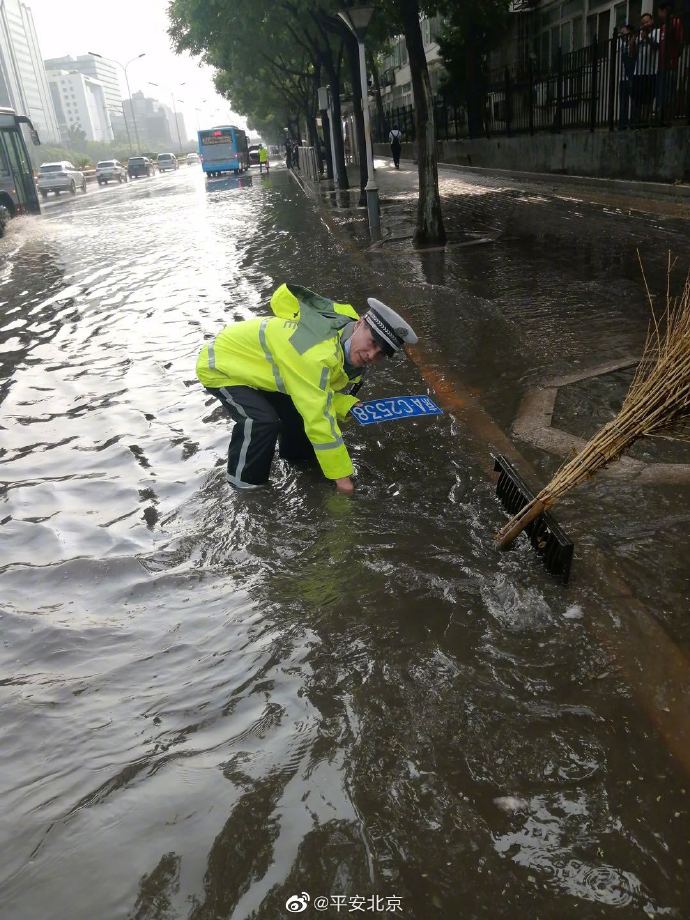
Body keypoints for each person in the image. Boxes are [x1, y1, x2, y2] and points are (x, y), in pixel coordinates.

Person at [196, 283, 418, 494]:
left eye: (381, 354)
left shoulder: (345, 336)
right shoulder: (317, 352)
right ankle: (243, 487)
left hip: (261, 370)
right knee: (262, 421)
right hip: (222, 366)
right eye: (372, 343)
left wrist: (345, 403)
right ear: (359, 323)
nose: (371, 355)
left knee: (296, 412)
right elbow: (318, 418)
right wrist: (342, 479)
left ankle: (297, 462)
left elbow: (315, 391)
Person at [655, 1, 684, 123]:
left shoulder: (675, 23)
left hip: (670, 65)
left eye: (660, 12)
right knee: (661, 94)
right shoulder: (663, 26)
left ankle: (668, 119)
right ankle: (661, 118)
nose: (658, 14)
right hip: (662, 65)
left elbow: (680, 42)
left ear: (665, 11)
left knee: (669, 93)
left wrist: (674, 57)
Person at [631, 12, 658, 125]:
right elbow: (633, 54)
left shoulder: (656, 32)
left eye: (647, 21)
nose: (645, 24)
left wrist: (646, 37)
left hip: (650, 72)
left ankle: (647, 121)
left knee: (648, 99)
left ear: (652, 21)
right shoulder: (640, 35)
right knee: (637, 99)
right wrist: (633, 39)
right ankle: (637, 121)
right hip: (638, 72)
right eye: (643, 23)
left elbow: (655, 47)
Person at [617, 24, 637, 129]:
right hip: (622, 78)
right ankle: (622, 124)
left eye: (623, 33)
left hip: (631, 76)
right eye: (621, 33)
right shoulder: (621, 45)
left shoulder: (633, 43)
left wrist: (632, 40)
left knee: (633, 102)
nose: (622, 35)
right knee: (623, 103)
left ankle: (633, 123)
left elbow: (632, 56)